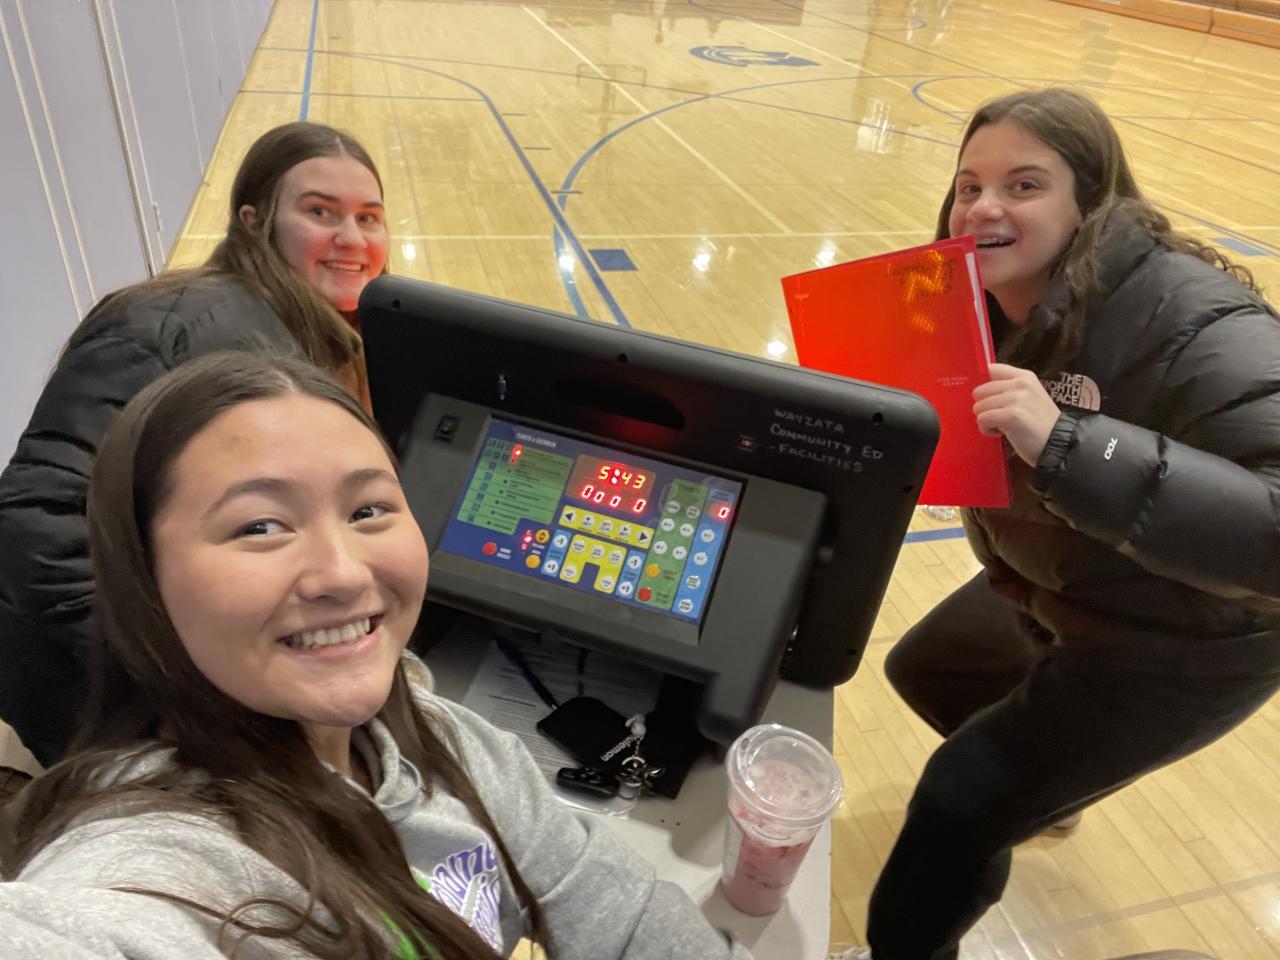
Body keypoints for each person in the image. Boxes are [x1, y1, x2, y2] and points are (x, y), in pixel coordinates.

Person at [0, 352, 750, 960]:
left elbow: (626, 919)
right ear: (144, 580)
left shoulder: (446, 740)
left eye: (367, 509)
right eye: (260, 526)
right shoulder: (157, 867)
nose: (343, 573)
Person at [864, 88, 1280, 960]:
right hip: (1072, 573)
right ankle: (1049, 795)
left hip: (1194, 635)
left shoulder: (1195, 317)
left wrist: (1069, 445)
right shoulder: (971, 302)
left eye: (1024, 185)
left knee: (956, 803)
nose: (983, 208)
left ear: (1091, 202)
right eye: (968, 185)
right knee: (928, 671)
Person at [0, 121, 390, 767]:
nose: (351, 239)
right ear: (254, 222)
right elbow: (35, 526)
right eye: (320, 212)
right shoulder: (167, 328)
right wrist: (185, 676)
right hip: (104, 696)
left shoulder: (318, 335)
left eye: (368, 218)